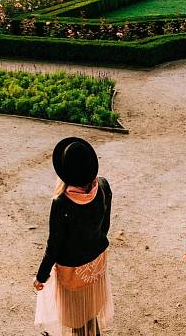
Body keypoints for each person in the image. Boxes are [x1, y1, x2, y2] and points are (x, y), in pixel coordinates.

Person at [34, 137, 114, 336]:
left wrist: (41, 276)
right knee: (90, 310)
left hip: (72, 270)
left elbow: (54, 244)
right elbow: (105, 225)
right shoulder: (103, 186)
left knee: (77, 319)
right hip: (96, 264)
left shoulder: (62, 203)